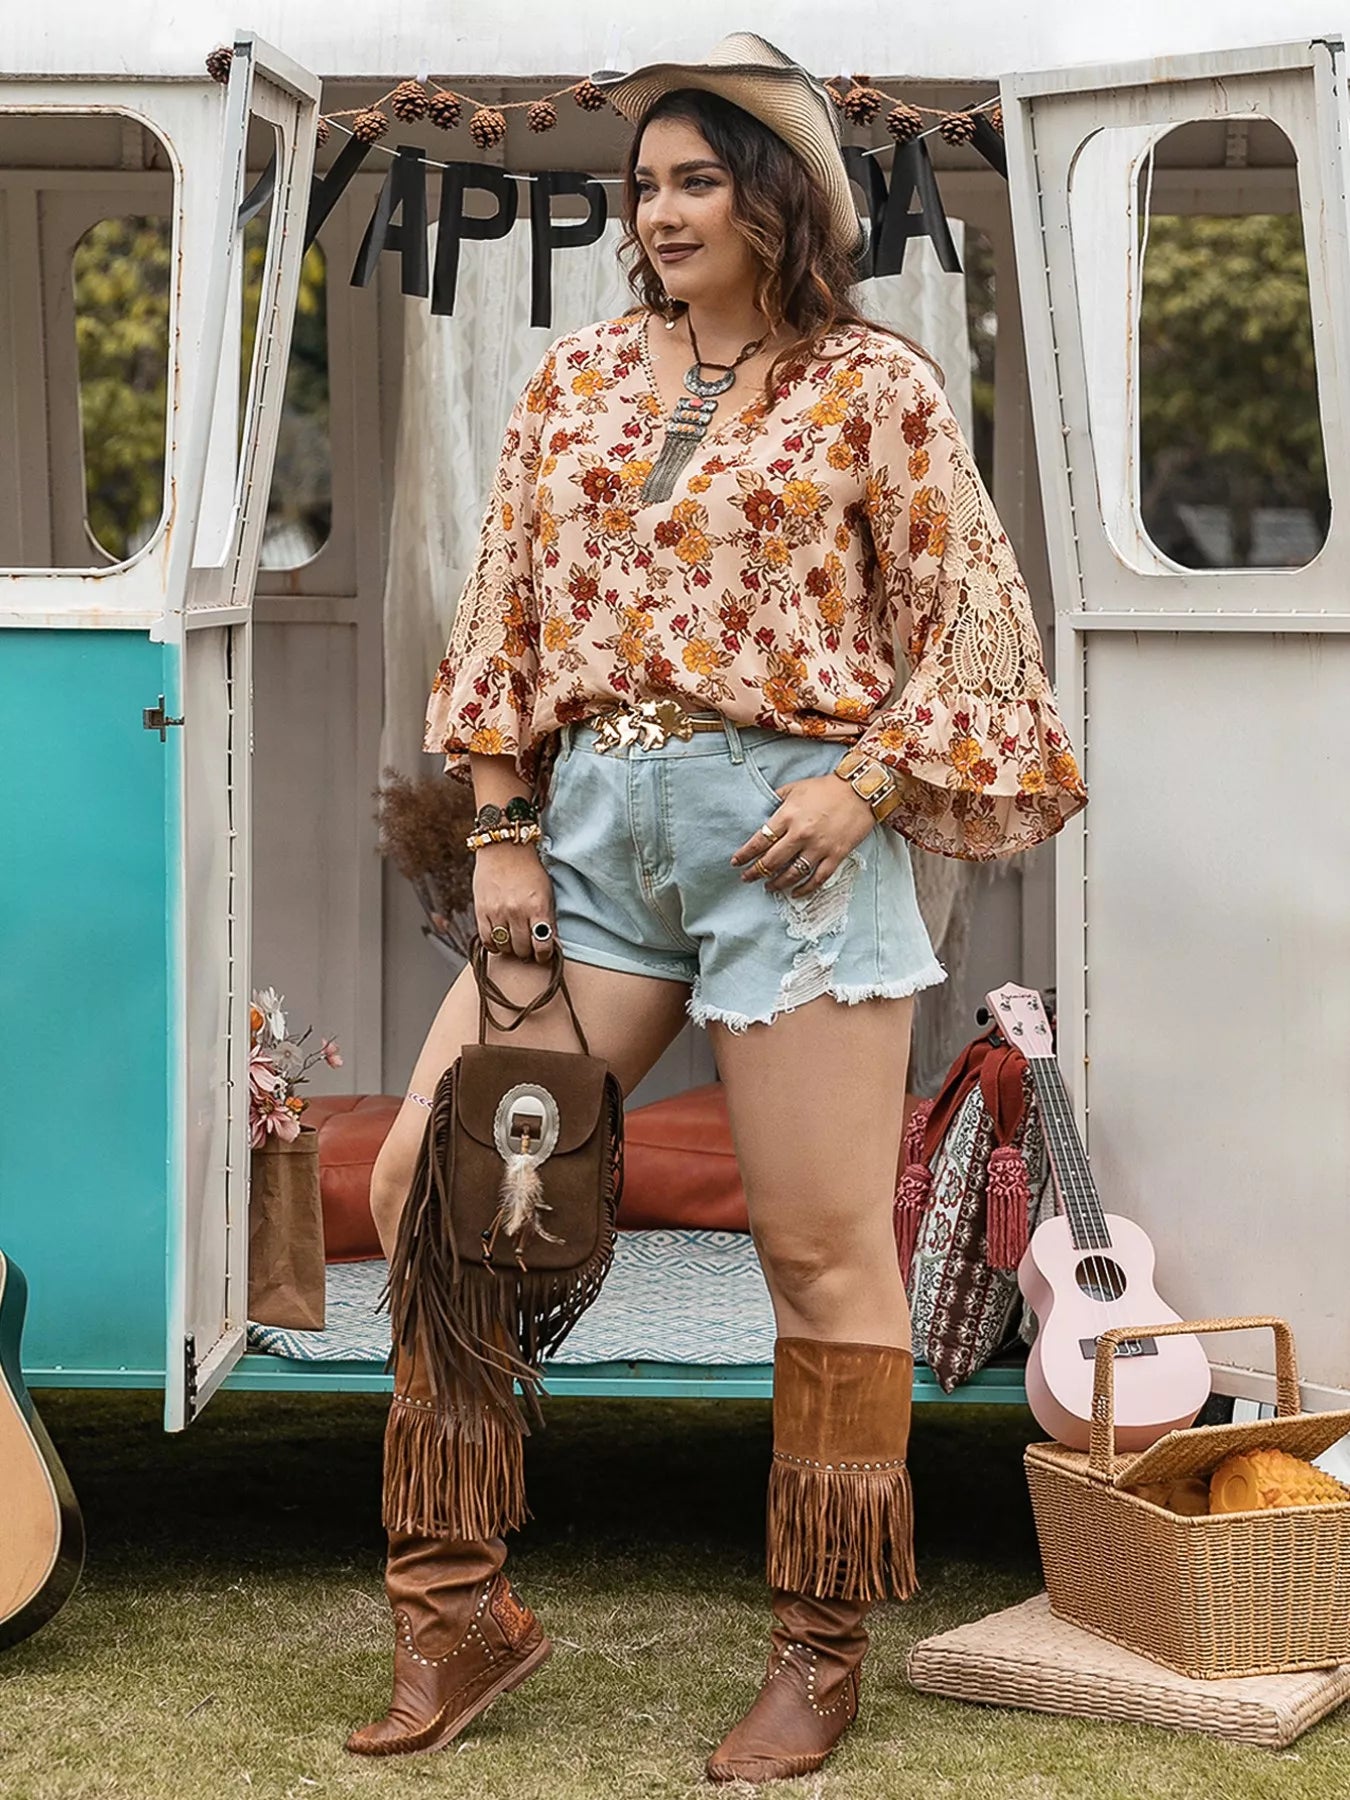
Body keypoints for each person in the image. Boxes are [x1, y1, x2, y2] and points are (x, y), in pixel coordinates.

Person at [345, 30, 1087, 1784]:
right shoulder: (574, 379)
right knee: (432, 1187)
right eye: (644, 183)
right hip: (592, 834)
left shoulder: (874, 389)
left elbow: (980, 633)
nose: (659, 209)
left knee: (818, 1256)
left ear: (776, 203)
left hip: (793, 845)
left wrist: (865, 785)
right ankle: (458, 1616)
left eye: (696, 180)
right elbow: (503, 614)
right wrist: (502, 829)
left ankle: (815, 1656)